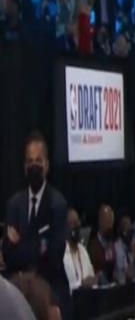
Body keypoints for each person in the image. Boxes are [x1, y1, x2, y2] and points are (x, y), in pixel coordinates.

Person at [2, 131, 71, 319]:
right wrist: (34, 246)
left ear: (46, 165)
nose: (34, 166)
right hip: (20, 290)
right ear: (25, 167)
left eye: (38, 161)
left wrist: (20, 244)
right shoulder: (14, 205)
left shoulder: (57, 204)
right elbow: (8, 255)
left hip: (50, 288)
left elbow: (53, 257)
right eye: (30, 161)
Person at [63, 208, 97, 292]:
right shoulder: (61, 253)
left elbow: (91, 277)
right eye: (72, 223)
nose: (77, 226)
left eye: (77, 222)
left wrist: (93, 281)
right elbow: (61, 287)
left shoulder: (83, 250)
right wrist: (81, 284)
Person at [89, 205, 116, 285]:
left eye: (111, 222)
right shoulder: (93, 245)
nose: (110, 226)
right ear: (100, 222)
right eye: (108, 222)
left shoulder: (112, 244)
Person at [114, 214, 135, 285]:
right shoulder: (116, 246)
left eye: (129, 225)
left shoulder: (130, 245)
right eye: (125, 225)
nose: (128, 228)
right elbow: (120, 267)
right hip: (120, 283)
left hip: (131, 282)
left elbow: (132, 264)